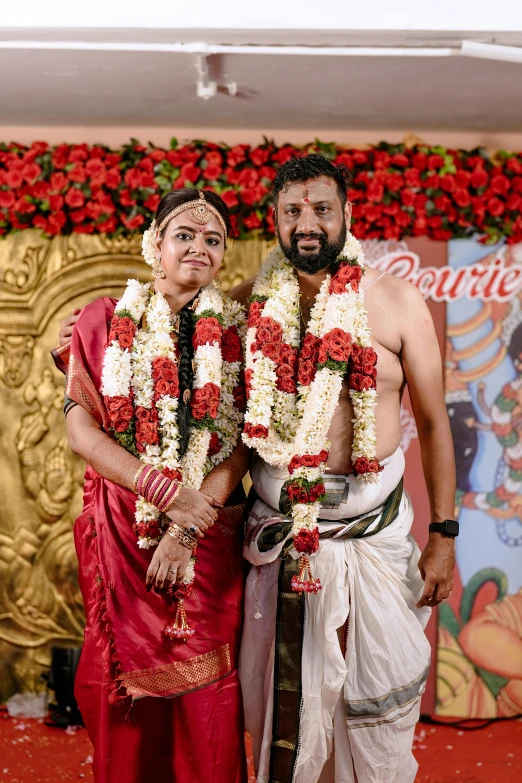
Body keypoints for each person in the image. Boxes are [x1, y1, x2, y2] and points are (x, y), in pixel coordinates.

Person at [59, 155, 457, 783]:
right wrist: (91, 326)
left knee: (367, 714)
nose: (307, 223)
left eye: (321, 209)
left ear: (346, 215)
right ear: (273, 221)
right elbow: (230, 414)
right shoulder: (244, 309)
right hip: (273, 541)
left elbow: (435, 423)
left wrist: (445, 536)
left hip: (370, 538)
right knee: (282, 712)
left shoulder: (397, 301)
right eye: (292, 211)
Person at [53, 189, 250, 783]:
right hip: (123, 534)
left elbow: (239, 446)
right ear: (155, 246)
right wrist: (163, 493)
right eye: (183, 235)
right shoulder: (102, 321)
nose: (198, 247)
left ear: (222, 257)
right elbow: (81, 434)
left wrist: (187, 527)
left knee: (208, 704)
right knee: (124, 707)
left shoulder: (236, 336)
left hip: (204, 543)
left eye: (212, 239)